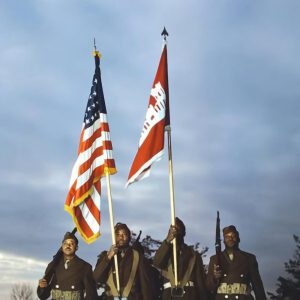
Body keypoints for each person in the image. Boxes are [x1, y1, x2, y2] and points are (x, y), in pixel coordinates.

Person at [93, 222, 155, 300]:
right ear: (114, 237)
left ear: (129, 237)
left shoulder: (137, 256)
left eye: (124, 234)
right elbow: (96, 278)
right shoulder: (105, 256)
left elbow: (145, 285)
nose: (121, 237)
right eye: (118, 235)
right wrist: (108, 257)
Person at [153, 217, 208, 300]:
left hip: (189, 295)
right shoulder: (166, 251)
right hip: (169, 296)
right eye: (172, 229)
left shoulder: (193, 255)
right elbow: (157, 262)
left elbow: (200, 283)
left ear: (184, 233)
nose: (175, 231)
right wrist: (167, 240)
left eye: (178, 229)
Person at [207, 225, 267, 300]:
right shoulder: (214, 259)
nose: (230, 239)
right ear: (224, 240)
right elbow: (208, 286)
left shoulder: (249, 258)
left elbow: (257, 286)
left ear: (238, 239)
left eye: (233, 236)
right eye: (227, 237)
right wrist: (215, 278)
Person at [37, 231, 98, 300]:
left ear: (76, 247)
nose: (68, 246)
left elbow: (92, 295)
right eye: (65, 243)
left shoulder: (85, 267)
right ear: (62, 246)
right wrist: (42, 287)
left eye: (71, 243)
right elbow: (43, 296)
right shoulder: (53, 265)